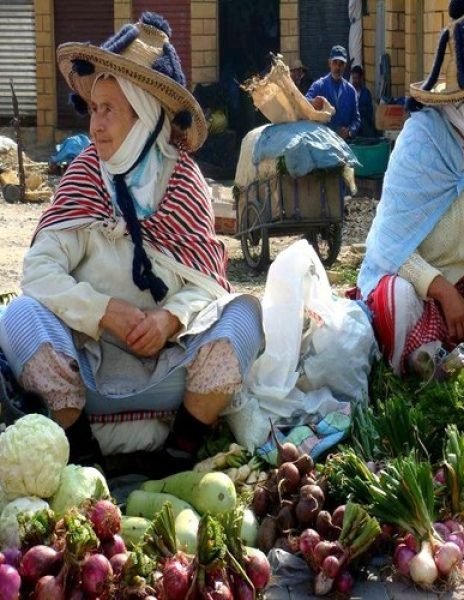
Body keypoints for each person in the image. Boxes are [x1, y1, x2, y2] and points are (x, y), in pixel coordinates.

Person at [0, 12, 264, 475]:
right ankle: (82, 452)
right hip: (86, 370)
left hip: (170, 374)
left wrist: (168, 319)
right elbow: (39, 273)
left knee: (243, 315)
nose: (95, 125)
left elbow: (209, 286)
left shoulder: (184, 182)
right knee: (18, 316)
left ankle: (177, 453)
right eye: (94, 109)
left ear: (143, 116)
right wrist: (104, 313)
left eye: (109, 111)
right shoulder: (85, 174)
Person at [357, 0, 464, 378]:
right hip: (425, 294)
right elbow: (391, 246)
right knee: (395, 297)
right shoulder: (422, 141)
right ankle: (430, 364)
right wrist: (443, 292)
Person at [305, 44, 361, 140]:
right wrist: (312, 102)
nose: (337, 67)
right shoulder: (319, 86)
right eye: (335, 62)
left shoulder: (351, 91)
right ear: (329, 63)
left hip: (344, 143)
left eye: (341, 64)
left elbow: (357, 119)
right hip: (323, 142)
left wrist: (349, 132)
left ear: (345, 66)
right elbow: (304, 102)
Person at [350, 65, 376, 137]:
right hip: (352, 123)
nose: (356, 81)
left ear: (361, 78)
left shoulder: (366, 93)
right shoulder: (348, 92)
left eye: (357, 78)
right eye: (354, 78)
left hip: (364, 124)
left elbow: (369, 112)